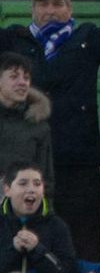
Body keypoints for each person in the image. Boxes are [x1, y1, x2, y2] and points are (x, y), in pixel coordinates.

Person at [1, 0, 100, 261]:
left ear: (70, 7)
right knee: (25, 239)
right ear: (32, 9)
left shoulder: (87, 37)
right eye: (43, 4)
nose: (50, 11)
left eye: (57, 4)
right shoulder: (14, 39)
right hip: (27, 159)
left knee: (84, 241)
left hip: (79, 159)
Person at [0, 163, 77, 273]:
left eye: (37, 184)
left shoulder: (56, 225)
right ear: (7, 190)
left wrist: (38, 250)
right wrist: (13, 250)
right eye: (23, 183)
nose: (31, 189)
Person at [0, 55, 51, 189]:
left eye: (26, 78)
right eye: (14, 76)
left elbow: (45, 180)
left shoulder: (38, 125)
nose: (22, 83)